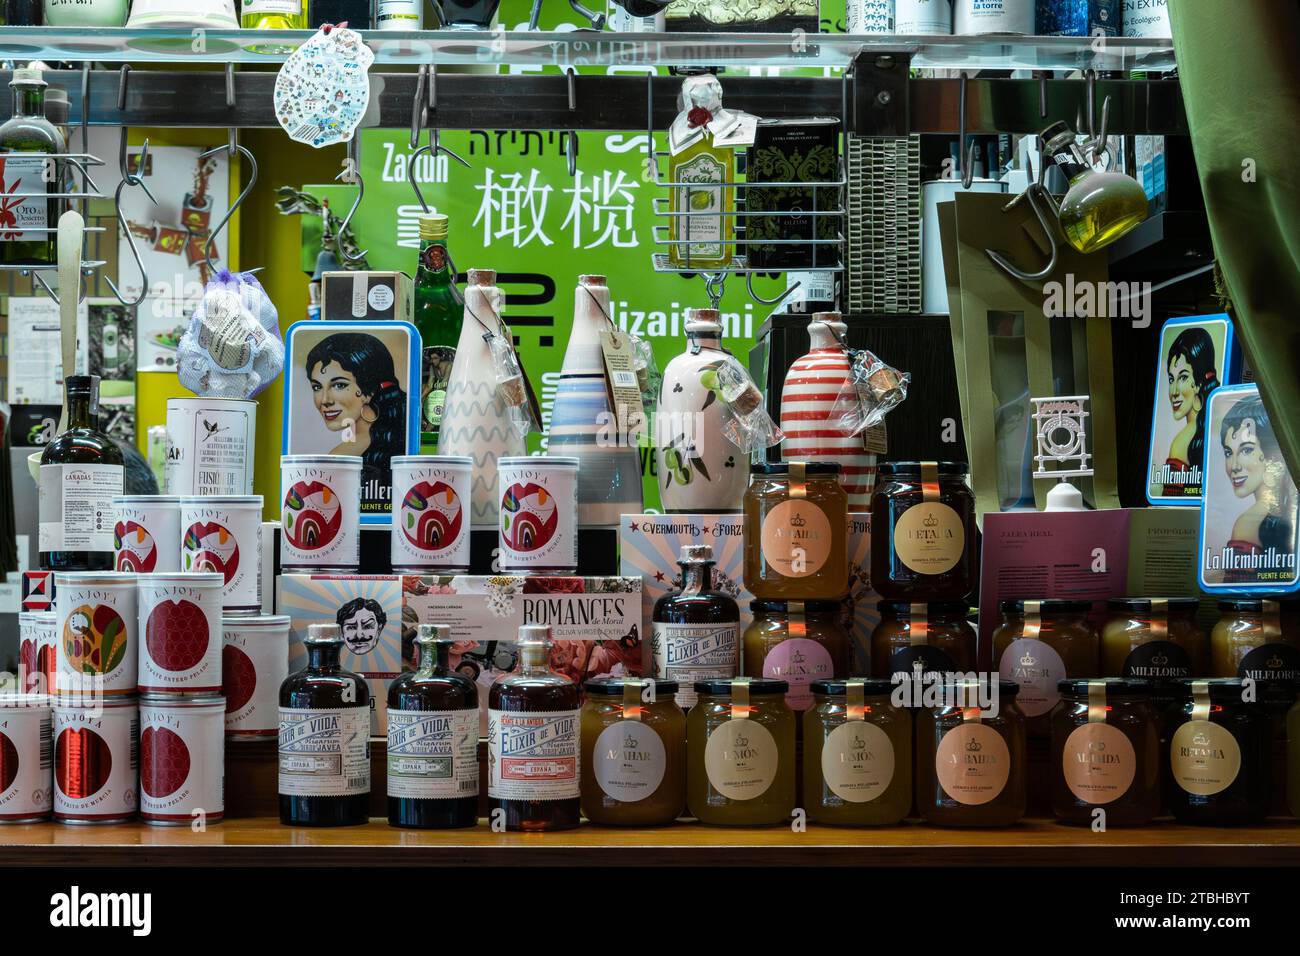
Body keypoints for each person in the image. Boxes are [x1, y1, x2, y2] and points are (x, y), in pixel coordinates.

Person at [305, 332, 407, 489]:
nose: (325, 400)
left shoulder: (343, 455)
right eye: (317, 387)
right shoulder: (399, 437)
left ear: (369, 390)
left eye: (339, 385)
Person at [1219, 395, 1296, 582]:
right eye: (1229, 452)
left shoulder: (1248, 523)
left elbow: (1238, 592)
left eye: (1246, 450)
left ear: (1272, 454)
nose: (1234, 465)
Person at [1161, 327, 1219, 497]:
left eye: (1183, 377)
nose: (1173, 391)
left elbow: (1170, 509)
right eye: (1171, 379)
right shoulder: (1222, 426)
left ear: (1200, 382)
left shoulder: (1181, 443)